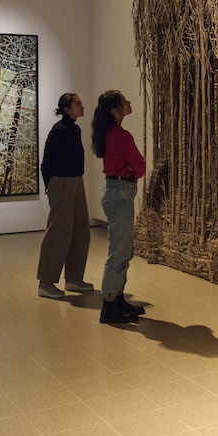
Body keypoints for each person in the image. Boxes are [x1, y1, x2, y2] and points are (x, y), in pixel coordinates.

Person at [91, 90, 146, 323]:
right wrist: (131, 169)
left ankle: (117, 297)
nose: (129, 103)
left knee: (123, 248)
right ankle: (109, 304)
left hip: (115, 190)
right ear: (116, 111)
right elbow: (140, 167)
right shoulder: (121, 136)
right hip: (120, 193)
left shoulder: (109, 133)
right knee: (119, 251)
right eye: (124, 102)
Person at [36, 93, 93, 298]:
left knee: (80, 231)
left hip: (76, 182)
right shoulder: (58, 130)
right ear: (67, 109)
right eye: (78, 104)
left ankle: (74, 279)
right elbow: (46, 163)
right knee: (58, 233)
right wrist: (50, 186)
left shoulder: (75, 129)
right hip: (61, 183)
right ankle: (46, 282)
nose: (82, 106)